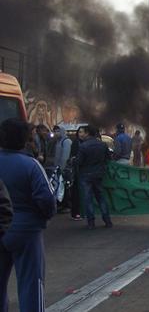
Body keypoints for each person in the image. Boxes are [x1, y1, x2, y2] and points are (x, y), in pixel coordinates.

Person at [0, 118, 56, 312]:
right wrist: (44, 218)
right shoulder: (31, 165)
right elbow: (47, 199)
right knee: (31, 284)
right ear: (25, 140)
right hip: (26, 231)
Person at [77, 125, 112, 230]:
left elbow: (79, 162)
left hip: (86, 175)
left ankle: (91, 223)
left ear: (87, 133)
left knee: (88, 199)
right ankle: (107, 221)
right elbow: (108, 159)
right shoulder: (102, 145)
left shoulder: (83, 146)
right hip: (99, 175)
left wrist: (74, 161)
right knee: (101, 197)